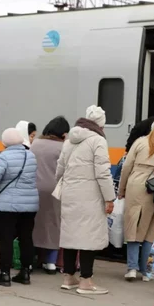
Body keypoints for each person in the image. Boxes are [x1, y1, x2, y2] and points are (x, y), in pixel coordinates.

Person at [56, 105, 115, 295]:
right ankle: (86, 281)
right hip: (90, 195)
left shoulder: (69, 140)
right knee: (89, 237)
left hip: (70, 193)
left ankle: (68, 277)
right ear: (100, 125)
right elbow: (103, 173)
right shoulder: (98, 140)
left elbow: (60, 168)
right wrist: (109, 198)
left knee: (71, 234)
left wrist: (66, 186)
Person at [118, 115, 154, 282]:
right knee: (151, 229)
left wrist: (121, 189)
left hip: (136, 184)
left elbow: (126, 166)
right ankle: (145, 271)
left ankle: (131, 268)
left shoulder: (140, 142)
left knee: (133, 225)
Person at [0, 127, 39, 287]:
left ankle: (5, 274)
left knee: (6, 239)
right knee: (26, 238)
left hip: (8, 205)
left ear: (4, 142)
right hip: (30, 205)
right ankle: (25, 273)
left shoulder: (4, 157)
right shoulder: (31, 155)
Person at [31, 116, 70, 274]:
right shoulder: (64, 147)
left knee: (35, 224)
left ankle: (34, 258)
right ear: (63, 133)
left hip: (34, 189)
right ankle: (51, 262)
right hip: (55, 191)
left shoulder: (36, 144)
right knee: (54, 225)